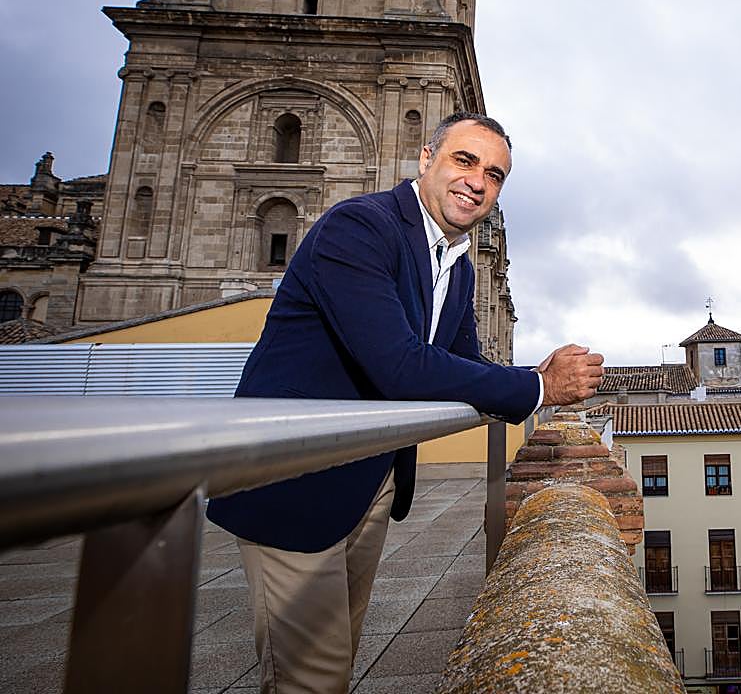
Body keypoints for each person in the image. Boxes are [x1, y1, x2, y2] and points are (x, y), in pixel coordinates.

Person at [206, 112, 604, 693]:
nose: (477, 181)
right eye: (464, 161)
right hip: (291, 477)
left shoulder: (457, 266)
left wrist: (531, 374)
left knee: (334, 663)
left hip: (368, 479)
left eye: (494, 174)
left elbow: (465, 369)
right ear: (426, 159)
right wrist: (541, 388)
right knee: (309, 678)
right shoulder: (360, 228)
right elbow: (396, 364)